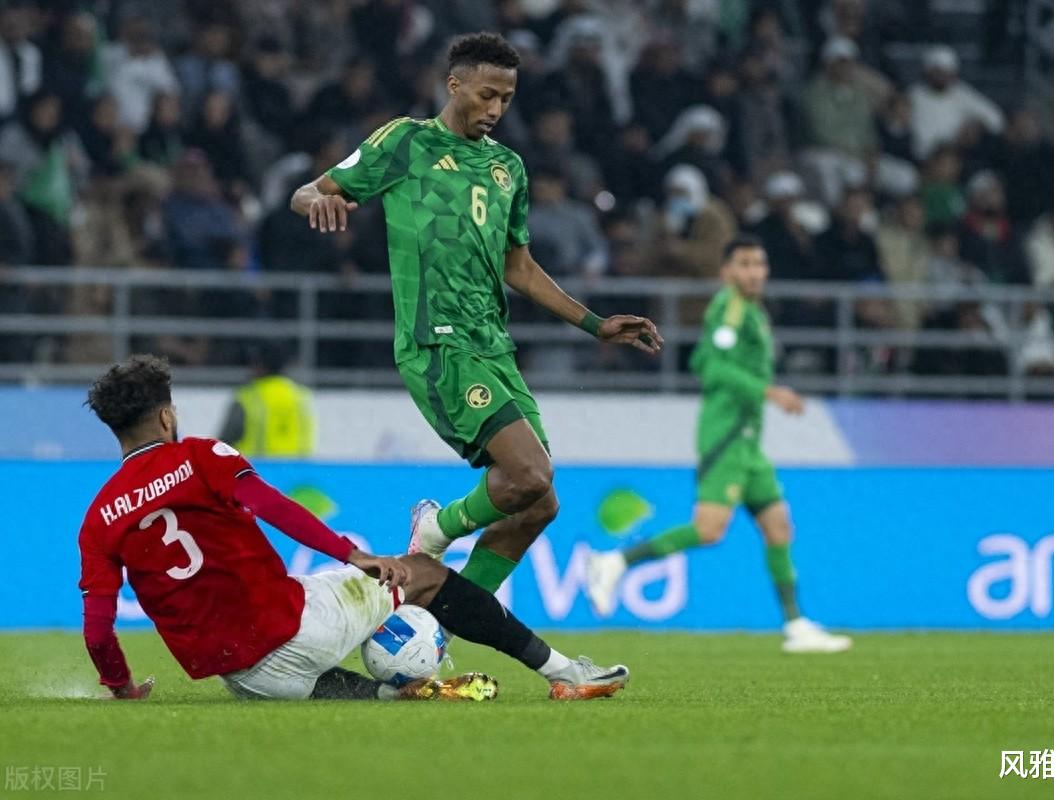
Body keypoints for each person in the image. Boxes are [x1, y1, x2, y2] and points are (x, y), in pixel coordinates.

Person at [289, 33, 662, 596]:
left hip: (493, 347)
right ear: (454, 84)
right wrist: (317, 201)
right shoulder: (406, 141)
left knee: (539, 502)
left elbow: (521, 268)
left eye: (506, 99)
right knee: (528, 473)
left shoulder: (508, 167)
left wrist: (595, 324)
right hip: (437, 343)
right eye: (486, 95)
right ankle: (434, 529)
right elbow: (305, 192)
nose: (495, 109)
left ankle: (437, 626)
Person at [79, 355, 630, 702]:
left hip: (249, 678)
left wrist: (121, 686)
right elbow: (275, 508)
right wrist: (352, 554)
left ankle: (397, 693)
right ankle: (565, 673)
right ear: (167, 416)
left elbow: (99, 631)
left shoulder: (98, 517)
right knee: (423, 572)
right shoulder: (200, 457)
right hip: (293, 628)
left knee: (301, 653)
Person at [585, 236, 852, 654]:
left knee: (778, 526)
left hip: (749, 445)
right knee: (709, 530)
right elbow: (711, 367)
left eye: (759, 263)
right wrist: (769, 392)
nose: (754, 272)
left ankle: (796, 625)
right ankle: (615, 562)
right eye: (744, 264)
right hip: (725, 438)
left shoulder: (752, 312)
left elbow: (704, 360)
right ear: (726, 271)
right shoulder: (729, 308)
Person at [218, 344, 316, 458]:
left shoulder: (248, 397)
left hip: (254, 467)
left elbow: (224, 443)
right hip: (297, 468)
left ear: (260, 366)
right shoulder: (301, 396)